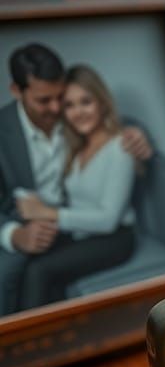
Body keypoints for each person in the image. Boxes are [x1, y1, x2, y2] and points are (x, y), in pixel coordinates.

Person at [0, 43, 151, 315]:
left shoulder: (118, 144)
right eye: (66, 104)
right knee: (33, 271)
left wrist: (138, 132)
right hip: (66, 229)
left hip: (112, 235)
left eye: (62, 99)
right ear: (16, 91)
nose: (58, 108)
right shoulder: (78, 142)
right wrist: (17, 232)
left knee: (39, 271)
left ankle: (31, 339)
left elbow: (108, 218)